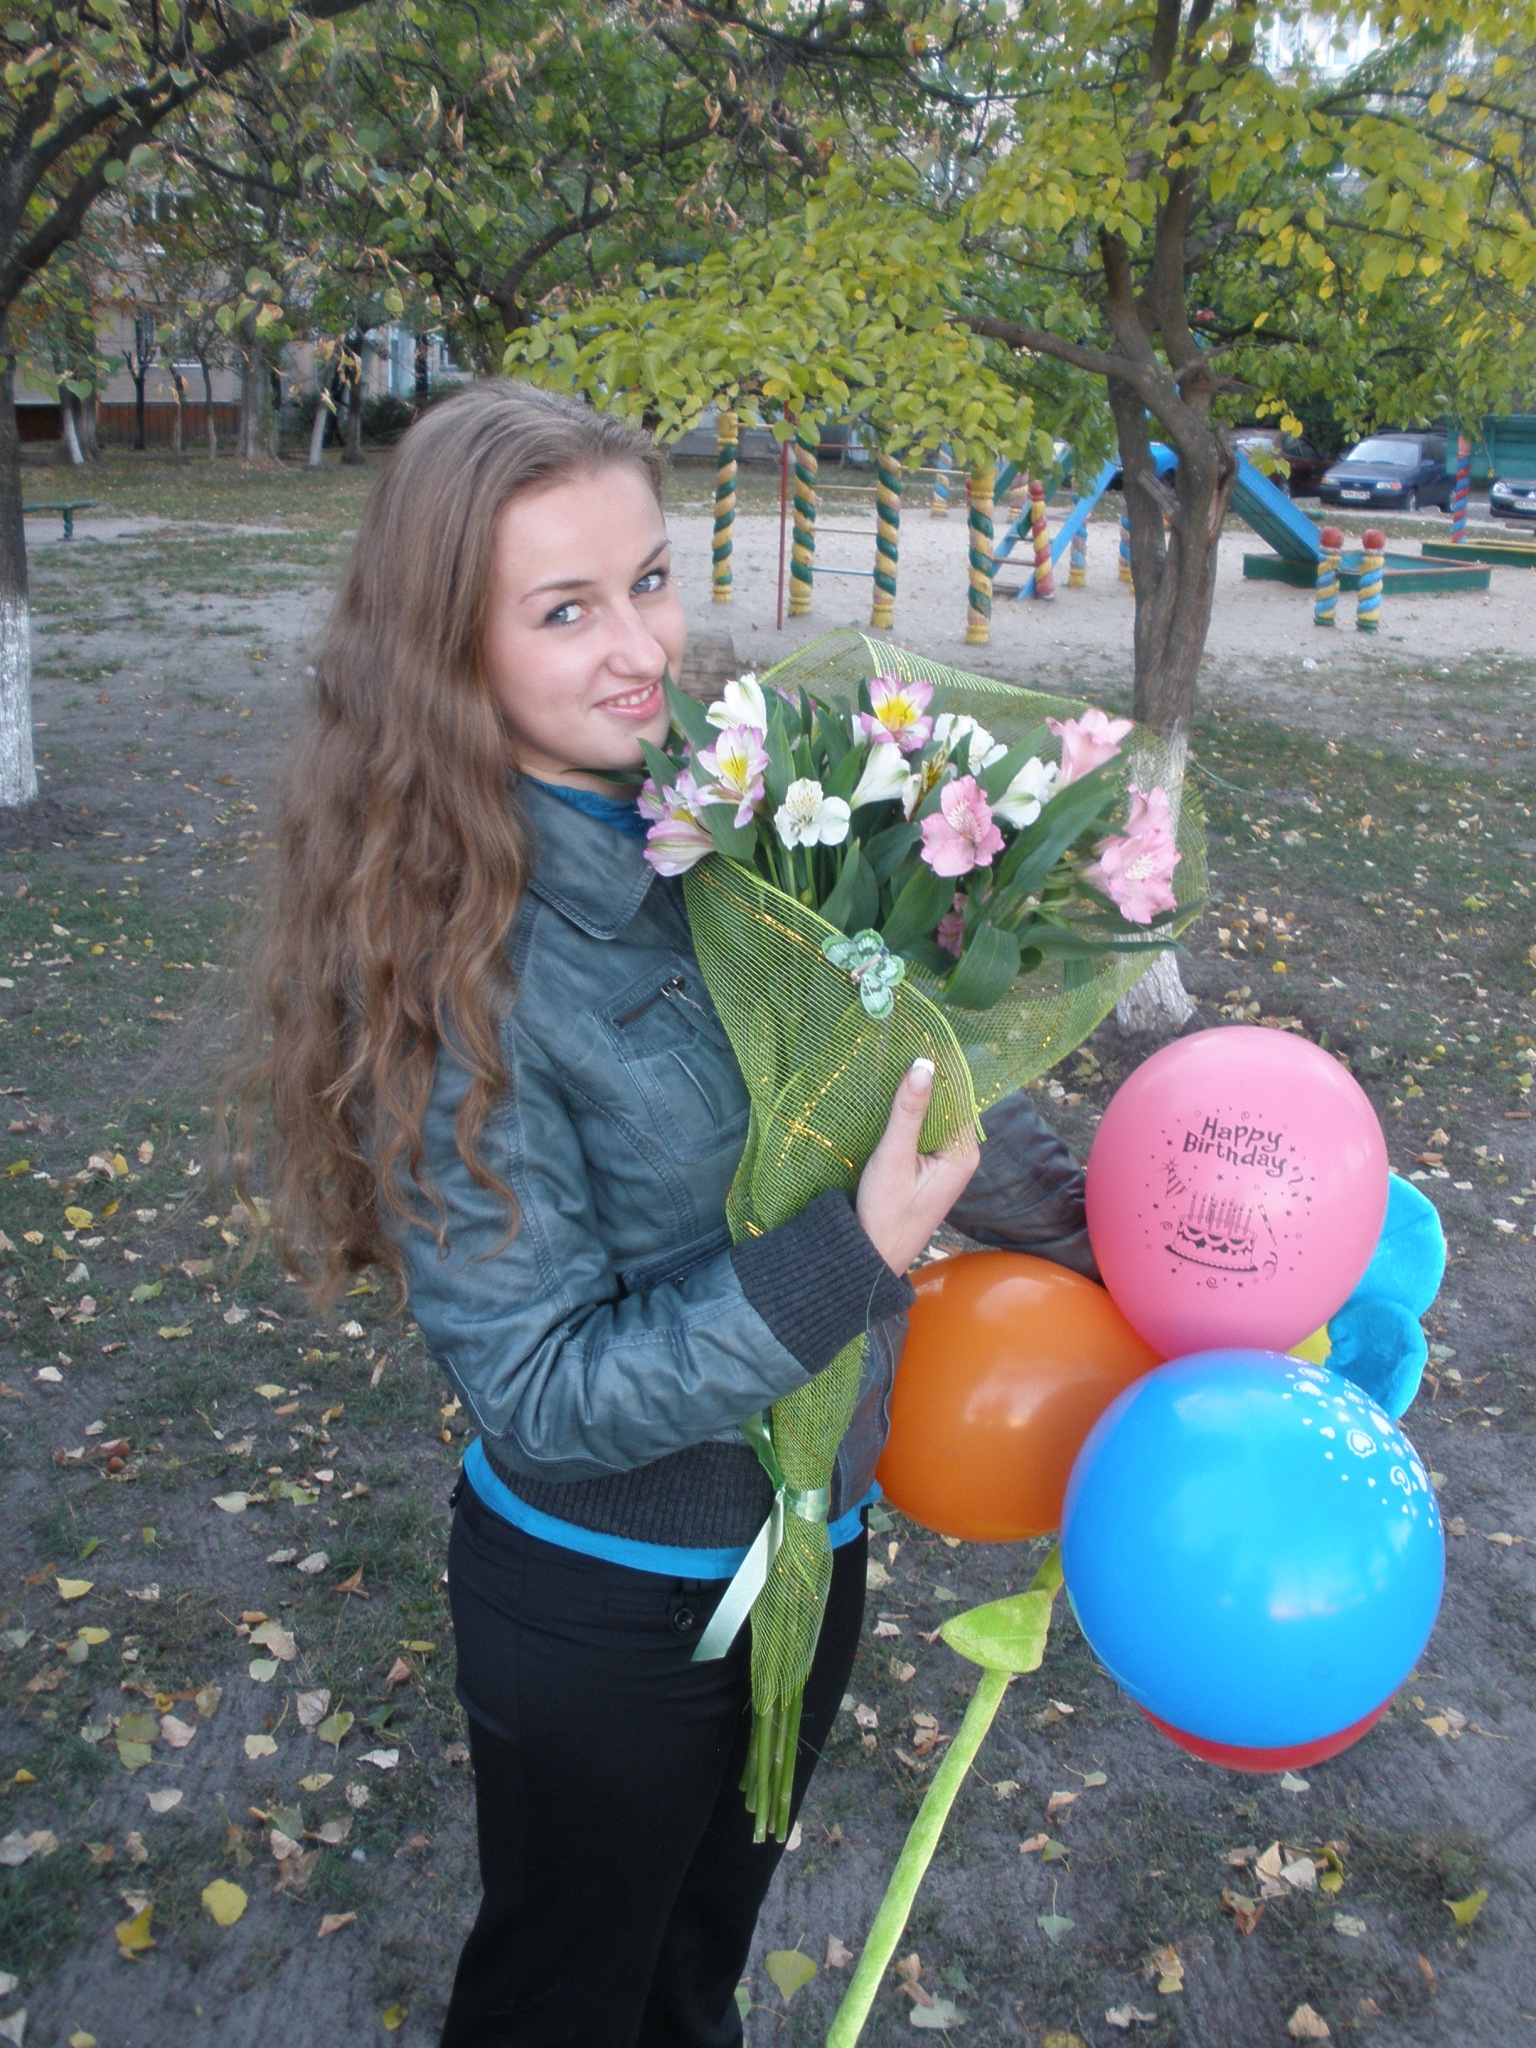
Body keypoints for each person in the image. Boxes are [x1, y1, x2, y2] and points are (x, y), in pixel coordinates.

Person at [232, 380, 1097, 2048]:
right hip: (611, 1609)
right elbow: (540, 1388)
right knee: (564, 2005)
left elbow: (898, 1071)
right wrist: (854, 1256)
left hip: (813, 1554)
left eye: (647, 579)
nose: (641, 648)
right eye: (565, 610)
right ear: (446, 650)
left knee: (697, 1985)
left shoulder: (742, 820)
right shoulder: (449, 959)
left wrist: (1131, 1223)